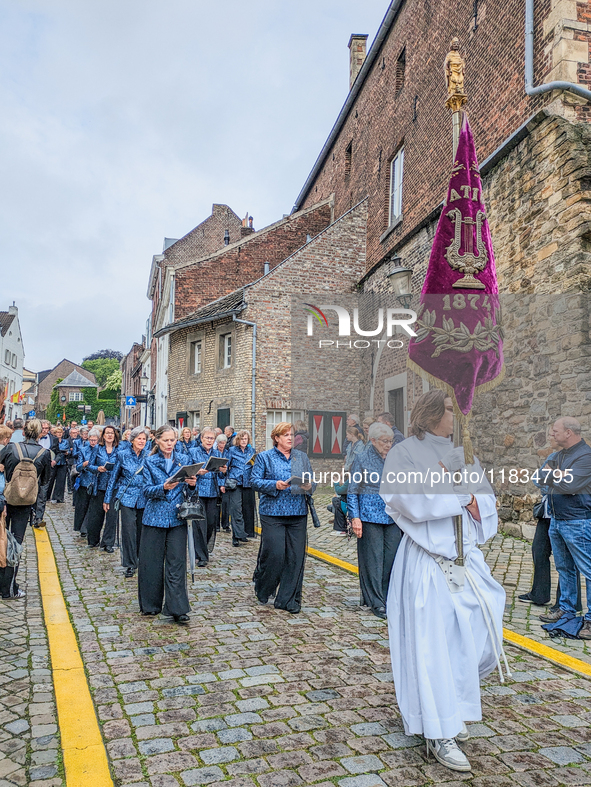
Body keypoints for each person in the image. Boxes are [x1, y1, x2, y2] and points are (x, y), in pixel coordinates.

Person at [380, 389, 505, 773]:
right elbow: (408, 501)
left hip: (466, 561)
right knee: (431, 649)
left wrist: (469, 498)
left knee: (474, 641)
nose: (458, 417)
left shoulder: (462, 454)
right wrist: (459, 494)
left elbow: (486, 501)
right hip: (427, 564)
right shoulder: (405, 454)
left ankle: (452, 710)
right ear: (432, 413)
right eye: (452, 410)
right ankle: (438, 730)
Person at [250, 421, 315, 614]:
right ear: (276, 438)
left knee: (296, 557)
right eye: (285, 435)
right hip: (273, 512)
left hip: (297, 512)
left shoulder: (301, 457)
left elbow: (311, 480)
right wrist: (274, 485)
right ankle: (264, 586)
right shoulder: (264, 457)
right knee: (275, 555)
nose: (290, 438)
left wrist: (308, 486)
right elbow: (254, 481)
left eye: (291, 435)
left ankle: (289, 599)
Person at [536, 417, 591, 638]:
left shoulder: (586, 457)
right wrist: (554, 475)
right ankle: (567, 610)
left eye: (555, 431)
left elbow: (570, 486)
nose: (551, 435)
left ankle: (590, 620)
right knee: (565, 569)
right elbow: (538, 478)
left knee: (588, 570)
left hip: (578, 521)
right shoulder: (558, 456)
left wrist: (552, 475)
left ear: (568, 432)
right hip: (557, 521)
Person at [140, 425, 196, 621]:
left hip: (176, 518)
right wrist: (163, 487)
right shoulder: (149, 461)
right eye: (166, 440)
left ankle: (177, 608)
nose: (170, 444)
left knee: (176, 563)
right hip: (154, 517)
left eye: (173, 440)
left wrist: (192, 485)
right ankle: (150, 604)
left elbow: (190, 494)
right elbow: (146, 490)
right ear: (157, 440)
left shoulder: (184, 460)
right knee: (152, 563)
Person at [348, 422, 402, 619]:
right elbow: (353, 491)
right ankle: (376, 601)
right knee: (373, 561)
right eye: (384, 441)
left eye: (390, 441)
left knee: (391, 559)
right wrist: (355, 518)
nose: (388, 445)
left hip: (393, 515)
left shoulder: (395, 458)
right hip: (369, 516)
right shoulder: (362, 458)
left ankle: (388, 597)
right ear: (373, 440)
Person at [0, 419, 51, 598]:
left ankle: (2, 584)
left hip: (6, 500)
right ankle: (10, 588)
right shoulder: (44, 453)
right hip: (25, 503)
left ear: (23, 432)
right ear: (39, 434)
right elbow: (45, 482)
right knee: (16, 544)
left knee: (2, 541)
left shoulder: (11, 448)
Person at [105, 426, 149, 578]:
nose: (142, 441)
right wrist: (107, 498)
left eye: (144, 439)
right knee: (129, 531)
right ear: (132, 440)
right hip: (127, 497)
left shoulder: (149, 455)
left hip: (144, 497)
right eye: (139, 438)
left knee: (141, 531)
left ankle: (139, 559)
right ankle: (130, 564)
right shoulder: (122, 455)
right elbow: (113, 478)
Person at [191, 428, 225, 558]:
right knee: (200, 524)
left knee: (211, 523)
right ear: (202, 439)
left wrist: (223, 472)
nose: (209, 441)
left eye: (212, 438)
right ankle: (201, 555)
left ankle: (204, 548)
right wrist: (197, 472)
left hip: (213, 491)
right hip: (198, 491)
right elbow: (188, 470)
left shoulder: (217, 453)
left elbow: (221, 476)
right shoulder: (193, 452)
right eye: (207, 438)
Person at [86, 426, 120, 552]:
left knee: (112, 516)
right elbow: (89, 465)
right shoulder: (97, 448)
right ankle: (93, 540)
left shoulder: (119, 449)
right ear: (103, 436)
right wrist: (97, 468)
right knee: (96, 515)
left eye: (112, 433)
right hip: (99, 485)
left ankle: (108, 543)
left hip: (114, 486)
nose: (110, 435)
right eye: (107, 433)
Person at [222, 430, 256, 546]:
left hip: (248, 483)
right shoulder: (231, 450)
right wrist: (223, 483)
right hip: (235, 482)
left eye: (246, 439)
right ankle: (235, 536)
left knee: (246, 509)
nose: (244, 441)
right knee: (236, 509)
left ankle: (243, 533)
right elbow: (225, 467)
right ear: (238, 440)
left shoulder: (251, 451)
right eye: (242, 439)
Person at [74, 429, 99, 536]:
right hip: (85, 481)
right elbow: (77, 467)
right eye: (91, 440)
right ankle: (80, 527)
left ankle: (87, 527)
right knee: (82, 506)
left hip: (96, 481)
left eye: (95, 440)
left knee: (92, 507)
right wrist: (84, 464)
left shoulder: (100, 450)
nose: (93, 442)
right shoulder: (83, 450)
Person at [34, 420, 58, 527]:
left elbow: (58, 453)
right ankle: (32, 514)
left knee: (43, 495)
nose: (44, 430)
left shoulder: (54, 439)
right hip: (34, 470)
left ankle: (39, 517)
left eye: (46, 428)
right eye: (42, 428)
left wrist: (55, 460)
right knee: (33, 493)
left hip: (47, 470)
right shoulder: (33, 439)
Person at [215, 434, 230, 532]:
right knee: (216, 504)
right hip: (216, 480)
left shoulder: (228, 453)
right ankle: (216, 525)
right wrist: (220, 484)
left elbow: (228, 468)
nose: (222, 445)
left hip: (225, 479)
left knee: (226, 504)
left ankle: (225, 524)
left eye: (224, 443)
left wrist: (224, 484)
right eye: (220, 443)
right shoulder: (214, 453)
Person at [50, 426, 69, 504]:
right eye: (58, 432)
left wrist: (68, 453)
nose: (59, 434)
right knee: (50, 480)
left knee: (61, 481)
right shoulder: (53, 441)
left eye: (60, 432)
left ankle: (58, 497)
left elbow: (69, 449)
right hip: (53, 462)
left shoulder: (65, 442)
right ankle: (47, 496)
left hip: (63, 462)